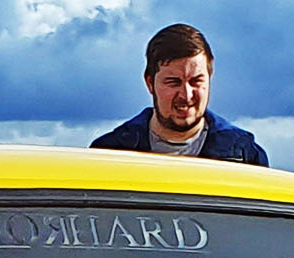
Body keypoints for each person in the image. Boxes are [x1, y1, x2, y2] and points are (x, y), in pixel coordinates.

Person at [90, 24, 269, 166]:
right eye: (173, 82)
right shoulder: (110, 154)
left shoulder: (245, 155)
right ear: (150, 83)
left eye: (196, 81)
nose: (186, 94)